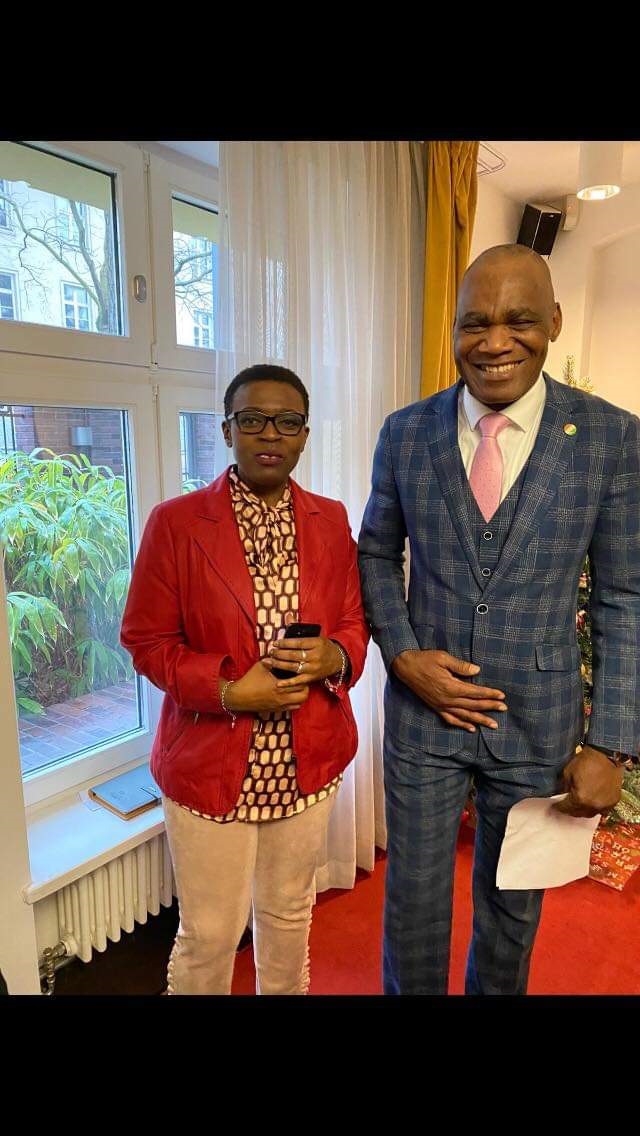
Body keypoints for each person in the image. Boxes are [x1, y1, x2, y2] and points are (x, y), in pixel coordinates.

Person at [358, 244, 640, 995]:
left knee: (512, 914)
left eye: (519, 320)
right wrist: (403, 654)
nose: (494, 342)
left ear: (554, 321)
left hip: (538, 722)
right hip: (423, 719)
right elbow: (376, 553)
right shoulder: (405, 432)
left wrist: (611, 743)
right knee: (413, 908)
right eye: (474, 323)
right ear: (454, 329)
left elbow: (624, 596)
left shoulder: (612, 438)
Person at [121, 364, 369, 995]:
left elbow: (353, 619)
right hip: (209, 758)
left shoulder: (330, 518)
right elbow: (146, 642)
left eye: (288, 421)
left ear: (305, 434)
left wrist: (336, 657)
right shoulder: (176, 523)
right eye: (253, 418)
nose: (270, 433)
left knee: (288, 914)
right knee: (211, 932)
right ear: (227, 429)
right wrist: (230, 691)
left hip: (306, 756)